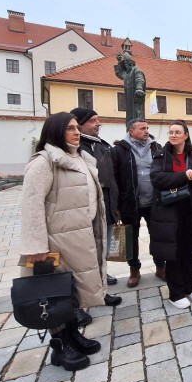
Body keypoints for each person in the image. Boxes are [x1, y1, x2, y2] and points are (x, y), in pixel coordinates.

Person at [19, 112, 108, 371]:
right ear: (56, 131)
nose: (76, 132)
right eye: (70, 129)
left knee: (74, 291)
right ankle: (60, 346)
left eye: (77, 128)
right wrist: (36, 249)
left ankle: (73, 334)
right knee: (56, 293)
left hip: (79, 236)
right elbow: (32, 205)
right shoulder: (44, 162)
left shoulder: (79, 157)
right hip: (55, 242)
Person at [149, 121, 192, 309]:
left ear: (186, 135)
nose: (173, 135)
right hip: (168, 211)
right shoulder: (161, 155)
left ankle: (190, 286)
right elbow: (157, 178)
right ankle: (175, 294)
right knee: (173, 253)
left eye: (177, 132)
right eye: (171, 132)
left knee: (188, 249)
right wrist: (184, 175)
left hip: (189, 210)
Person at [71, 108, 121, 287]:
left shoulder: (101, 145)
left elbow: (112, 176)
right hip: (86, 205)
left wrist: (116, 204)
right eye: (93, 120)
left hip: (107, 201)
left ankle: (102, 272)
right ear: (80, 124)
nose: (98, 123)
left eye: (98, 120)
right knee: (88, 244)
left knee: (105, 241)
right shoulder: (74, 148)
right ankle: (88, 280)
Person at [111, 118, 164, 287]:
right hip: (129, 203)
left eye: (147, 128)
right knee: (130, 238)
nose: (146, 131)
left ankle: (160, 267)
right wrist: (116, 205)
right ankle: (134, 270)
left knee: (158, 236)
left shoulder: (156, 147)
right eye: (142, 128)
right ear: (131, 131)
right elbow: (114, 179)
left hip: (154, 202)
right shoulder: (119, 150)